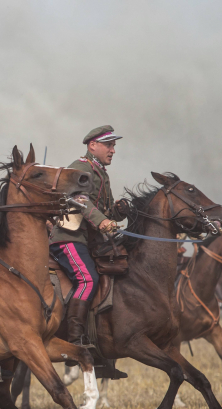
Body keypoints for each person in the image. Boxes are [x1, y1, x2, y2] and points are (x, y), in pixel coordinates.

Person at [49, 125, 126, 356]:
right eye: (109, 145)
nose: (113, 149)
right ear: (93, 145)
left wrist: (120, 212)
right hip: (69, 237)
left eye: (114, 145)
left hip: (88, 240)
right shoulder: (80, 167)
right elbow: (79, 199)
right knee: (88, 279)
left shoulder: (101, 171)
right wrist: (102, 221)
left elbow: (106, 210)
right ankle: (75, 338)